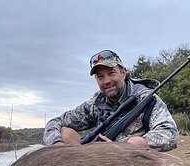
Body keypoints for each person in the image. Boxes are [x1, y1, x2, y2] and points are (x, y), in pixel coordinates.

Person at [43, 50, 179, 151]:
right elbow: (56, 122)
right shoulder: (96, 103)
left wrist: (122, 146)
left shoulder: (147, 98)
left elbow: (170, 134)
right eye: (100, 77)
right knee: (66, 133)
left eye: (111, 73)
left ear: (123, 73)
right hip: (101, 158)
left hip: (136, 161)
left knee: (136, 142)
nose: (107, 81)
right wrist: (57, 145)